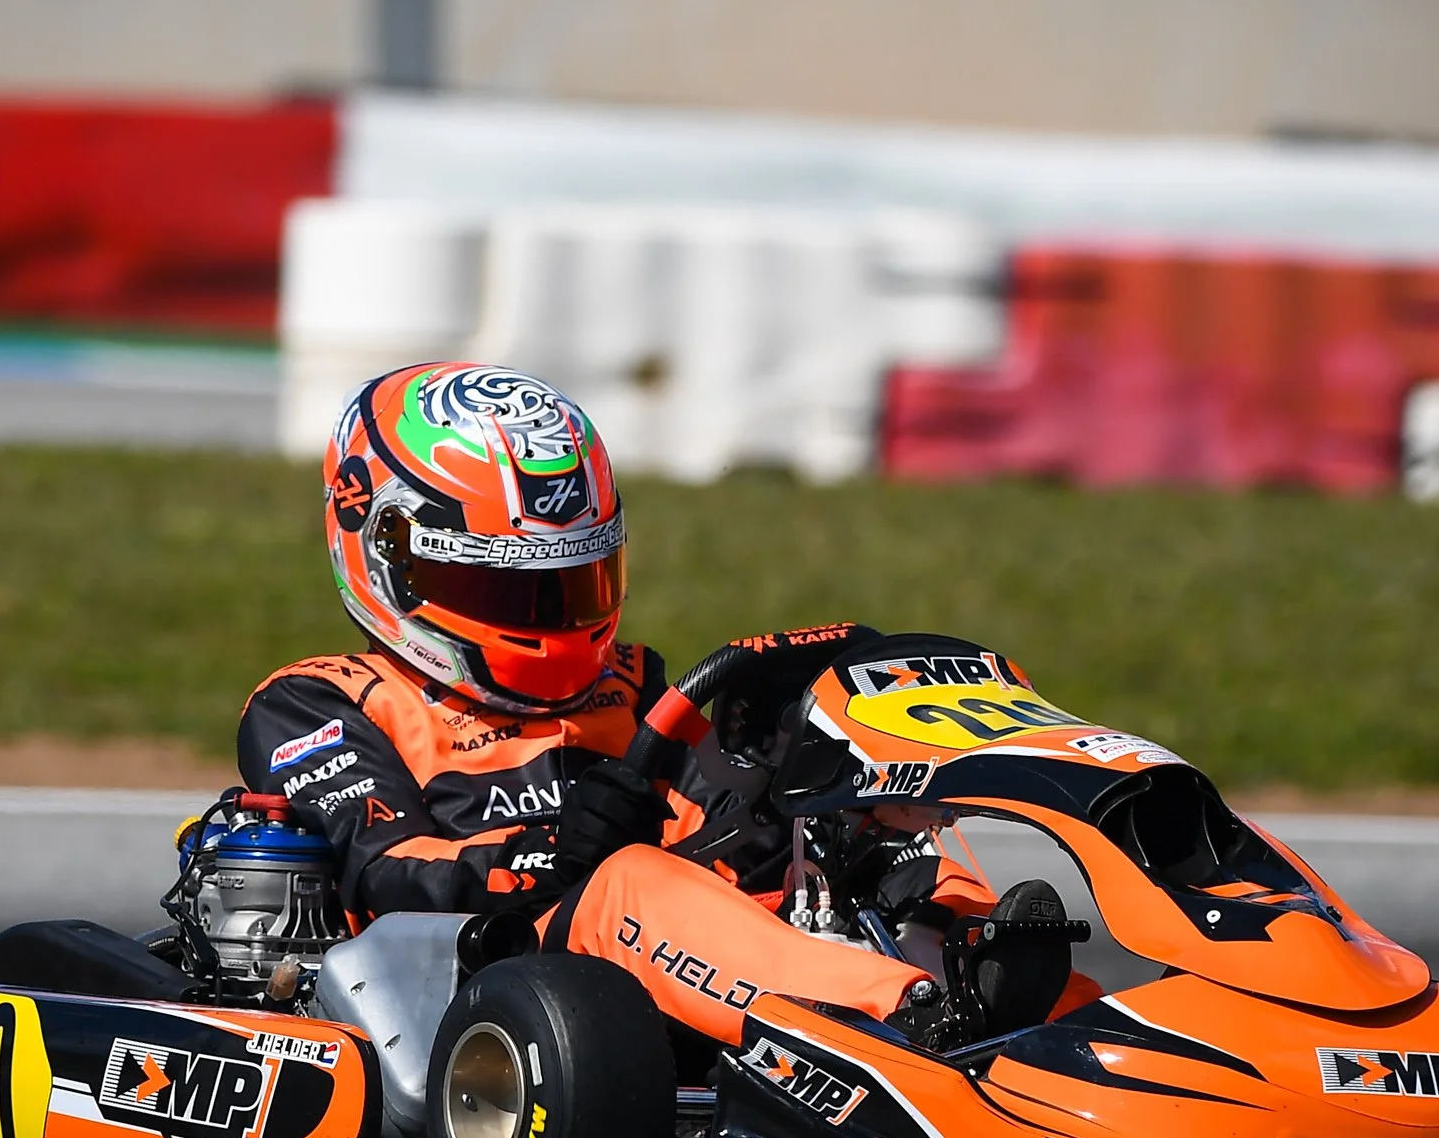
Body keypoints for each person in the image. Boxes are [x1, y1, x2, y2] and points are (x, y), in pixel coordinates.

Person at [236, 361, 1095, 1052]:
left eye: (571, 587)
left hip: (680, 973)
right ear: (391, 558)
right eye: (505, 588)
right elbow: (389, 873)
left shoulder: (635, 688)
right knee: (630, 883)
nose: (550, 623)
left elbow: (714, 843)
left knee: (876, 818)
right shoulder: (321, 703)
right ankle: (906, 1016)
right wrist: (550, 852)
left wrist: (782, 804)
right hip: (475, 984)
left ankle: (1048, 1003)